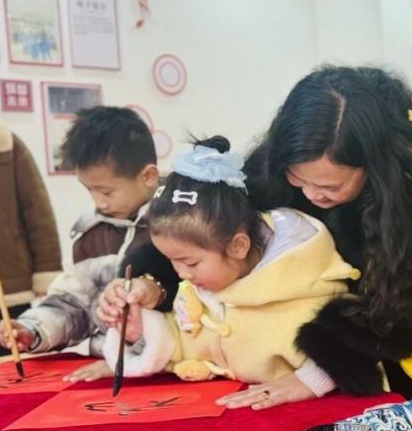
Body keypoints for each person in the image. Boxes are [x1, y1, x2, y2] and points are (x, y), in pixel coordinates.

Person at [100, 68, 412, 411]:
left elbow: (404, 301)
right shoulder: (285, 157)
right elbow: (210, 227)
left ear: (371, 166)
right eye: (299, 180)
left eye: (331, 186)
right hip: (371, 329)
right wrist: (149, 282)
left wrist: (315, 375)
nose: (312, 195)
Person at [102, 139, 359, 386]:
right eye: (171, 261)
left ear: (238, 246)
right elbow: (185, 343)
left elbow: (347, 355)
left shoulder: (305, 286)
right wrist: (139, 329)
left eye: (190, 262)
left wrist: (313, 381)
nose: (181, 274)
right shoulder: (202, 287)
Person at [0, 106, 158, 380]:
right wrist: (33, 329)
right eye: (89, 190)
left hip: (166, 364)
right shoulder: (89, 234)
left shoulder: (178, 228)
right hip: (102, 367)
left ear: (148, 176)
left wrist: (129, 360)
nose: (99, 202)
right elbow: (72, 304)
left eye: (106, 191)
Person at [0, 106, 61, 359]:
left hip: (2, 287)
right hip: (2, 283)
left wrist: (46, 272)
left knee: (6, 370)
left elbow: (37, 212)